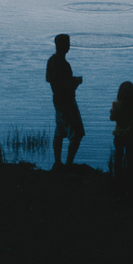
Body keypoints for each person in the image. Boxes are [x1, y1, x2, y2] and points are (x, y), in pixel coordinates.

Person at [46, 33, 84, 169]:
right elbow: (68, 86)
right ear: (67, 46)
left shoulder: (51, 61)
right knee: (78, 133)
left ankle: (57, 162)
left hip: (56, 101)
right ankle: (68, 164)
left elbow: (48, 79)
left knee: (60, 131)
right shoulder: (64, 64)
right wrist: (76, 82)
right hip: (67, 102)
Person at [110, 81, 133, 182]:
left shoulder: (116, 104)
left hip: (119, 134)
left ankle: (117, 177)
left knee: (118, 157)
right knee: (130, 157)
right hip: (130, 134)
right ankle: (130, 177)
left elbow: (112, 118)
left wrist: (113, 112)